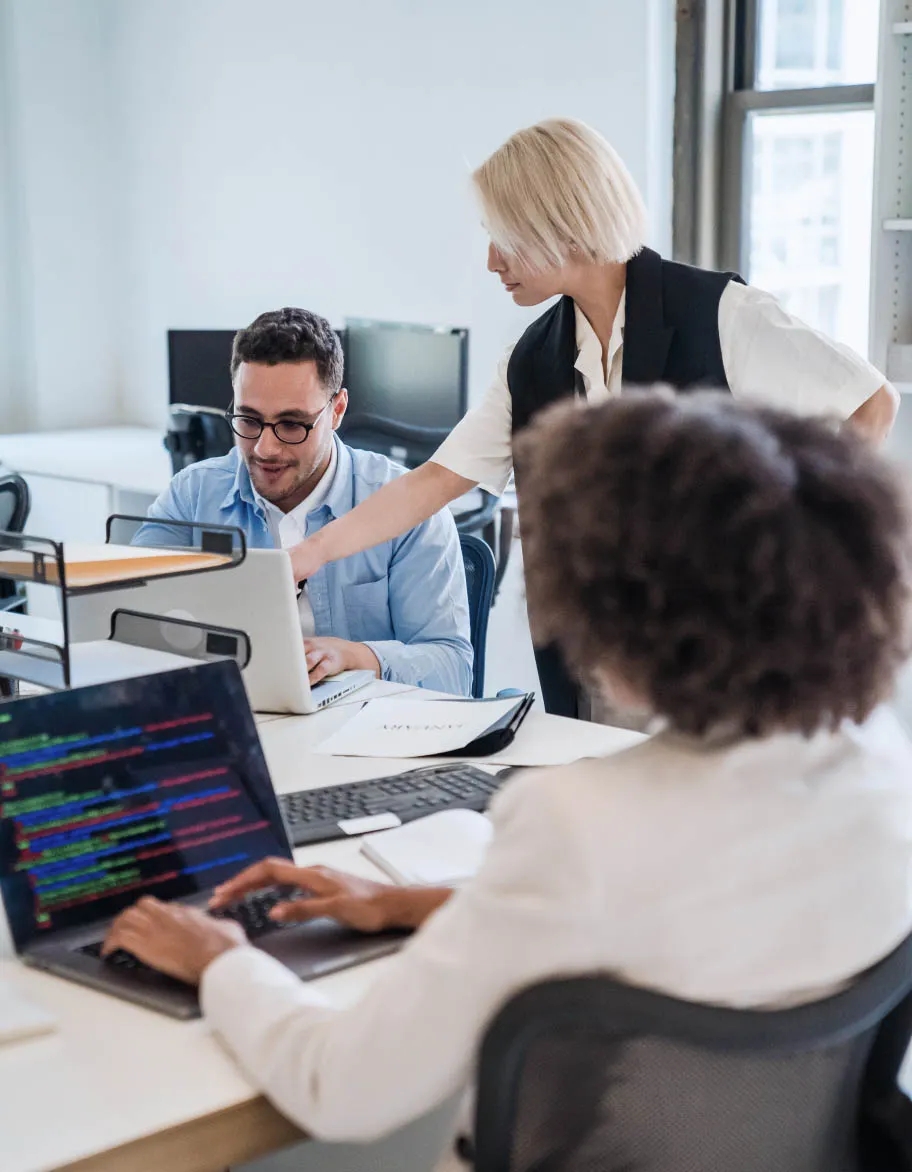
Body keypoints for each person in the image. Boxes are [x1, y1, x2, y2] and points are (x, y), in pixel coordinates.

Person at [104, 391, 912, 1170]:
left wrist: (220, 960)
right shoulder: (879, 760)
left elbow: (339, 1089)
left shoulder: (578, 818)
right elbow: (697, 921)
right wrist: (422, 904)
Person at [281, 117, 899, 720]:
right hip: (604, 654)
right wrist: (309, 554)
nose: (492, 262)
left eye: (503, 237)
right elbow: (435, 480)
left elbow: (870, 403)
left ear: (561, 226)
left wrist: (804, 566)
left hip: (725, 650)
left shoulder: (721, 314)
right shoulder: (533, 358)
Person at [138, 308, 473, 696]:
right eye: (248, 420)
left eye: (292, 425)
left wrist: (355, 657)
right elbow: (133, 624)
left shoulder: (410, 507)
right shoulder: (191, 496)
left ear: (337, 410)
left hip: (361, 738)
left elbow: (453, 672)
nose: (265, 448)